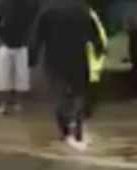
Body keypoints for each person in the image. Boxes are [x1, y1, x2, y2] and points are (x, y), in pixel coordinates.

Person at [29, 0, 104, 150]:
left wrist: (32, 57)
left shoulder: (48, 9)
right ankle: (77, 124)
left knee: (61, 93)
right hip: (79, 59)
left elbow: (37, 35)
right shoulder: (82, 9)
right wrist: (98, 49)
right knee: (78, 93)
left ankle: (65, 128)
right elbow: (95, 33)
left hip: (55, 60)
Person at [0, 0, 39, 115]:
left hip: (19, 44)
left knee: (20, 77)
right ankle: (5, 104)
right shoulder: (4, 5)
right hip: (9, 44)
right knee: (5, 76)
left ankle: (16, 104)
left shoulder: (27, 6)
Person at [84, 6, 109, 120]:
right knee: (90, 89)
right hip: (91, 60)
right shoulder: (91, 14)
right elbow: (102, 38)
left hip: (88, 59)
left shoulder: (90, 15)